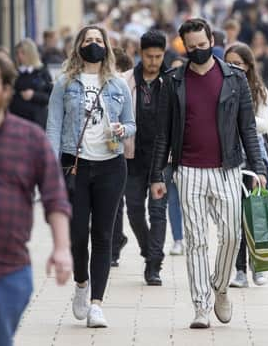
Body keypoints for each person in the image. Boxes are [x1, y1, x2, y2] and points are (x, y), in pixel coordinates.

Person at [149, 18, 267, 329]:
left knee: (232, 235)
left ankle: (221, 287)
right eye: (192, 48)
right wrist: (157, 176)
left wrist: (258, 166)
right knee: (196, 240)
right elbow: (163, 132)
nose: (199, 51)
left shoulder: (235, 78)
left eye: (204, 45)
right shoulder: (173, 81)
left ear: (212, 40)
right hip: (188, 171)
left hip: (227, 168)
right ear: (183, 47)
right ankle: (201, 306)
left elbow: (248, 127)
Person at [0, 52, 72, 346]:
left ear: (6, 90)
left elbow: (55, 198)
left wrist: (62, 249)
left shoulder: (30, 139)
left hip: (9, 271)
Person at [46, 25, 135, 328]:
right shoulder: (64, 83)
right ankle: (81, 285)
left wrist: (124, 130)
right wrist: (48, 170)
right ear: (79, 47)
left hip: (111, 165)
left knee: (103, 235)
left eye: (99, 40)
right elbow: (54, 127)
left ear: (107, 46)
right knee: (76, 235)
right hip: (75, 165)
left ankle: (97, 304)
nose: (94, 45)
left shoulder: (118, 85)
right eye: (89, 40)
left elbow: (131, 124)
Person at [122, 30, 172, 286]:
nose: (154, 61)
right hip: (132, 157)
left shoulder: (172, 81)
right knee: (133, 210)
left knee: (158, 211)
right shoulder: (126, 80)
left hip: (162, 159)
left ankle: (154, 265)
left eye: (158, 56)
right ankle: (147, 248)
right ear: (141, 54)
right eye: (149, 56)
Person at [224, 43, 268, 288]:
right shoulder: (220, 87)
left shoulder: (259, 90)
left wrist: (240, 116)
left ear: (248, 66)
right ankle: (240, 270)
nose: (233, 68)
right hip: (231, 159)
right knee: (236, 219)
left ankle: (259, 266)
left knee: (257, 215)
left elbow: (265, 124)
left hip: (255, 157)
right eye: (229, 62)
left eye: (238, 64)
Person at [110, 47, 134, 268]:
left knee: (117, 203)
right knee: (115, 203)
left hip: (123, 150)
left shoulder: (123, 85)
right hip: (107, 151)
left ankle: (114, 247)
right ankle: (115, 242)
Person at [9, 38, 53, 129]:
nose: (19, 56)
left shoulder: (42, 72)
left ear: (31, 54)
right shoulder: (15, 72)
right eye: (17, 53)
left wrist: (34, 95)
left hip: (37, 121)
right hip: (17, 121)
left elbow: (51, 97)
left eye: (22, 53)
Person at [166, 58, 185, 257]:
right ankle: (178, 239)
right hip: (170, 158)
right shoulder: (166, 96)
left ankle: (194, 236)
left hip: (191, 157)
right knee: (173, 199)